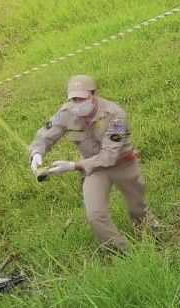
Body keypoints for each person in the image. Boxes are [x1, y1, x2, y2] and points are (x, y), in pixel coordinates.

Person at [28, 74, 156, 253]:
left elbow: (110, 156)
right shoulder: (66, 113)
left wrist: (72, 166)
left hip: (122, 164)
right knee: (95, 215)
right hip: (94, 169)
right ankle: (125, 252)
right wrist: (36, 153)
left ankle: (151, 233)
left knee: (138, 209)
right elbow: (45, 135)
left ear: (94, 94)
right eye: (74, 99)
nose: (78, 103)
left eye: (82, 98)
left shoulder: (115, 114)